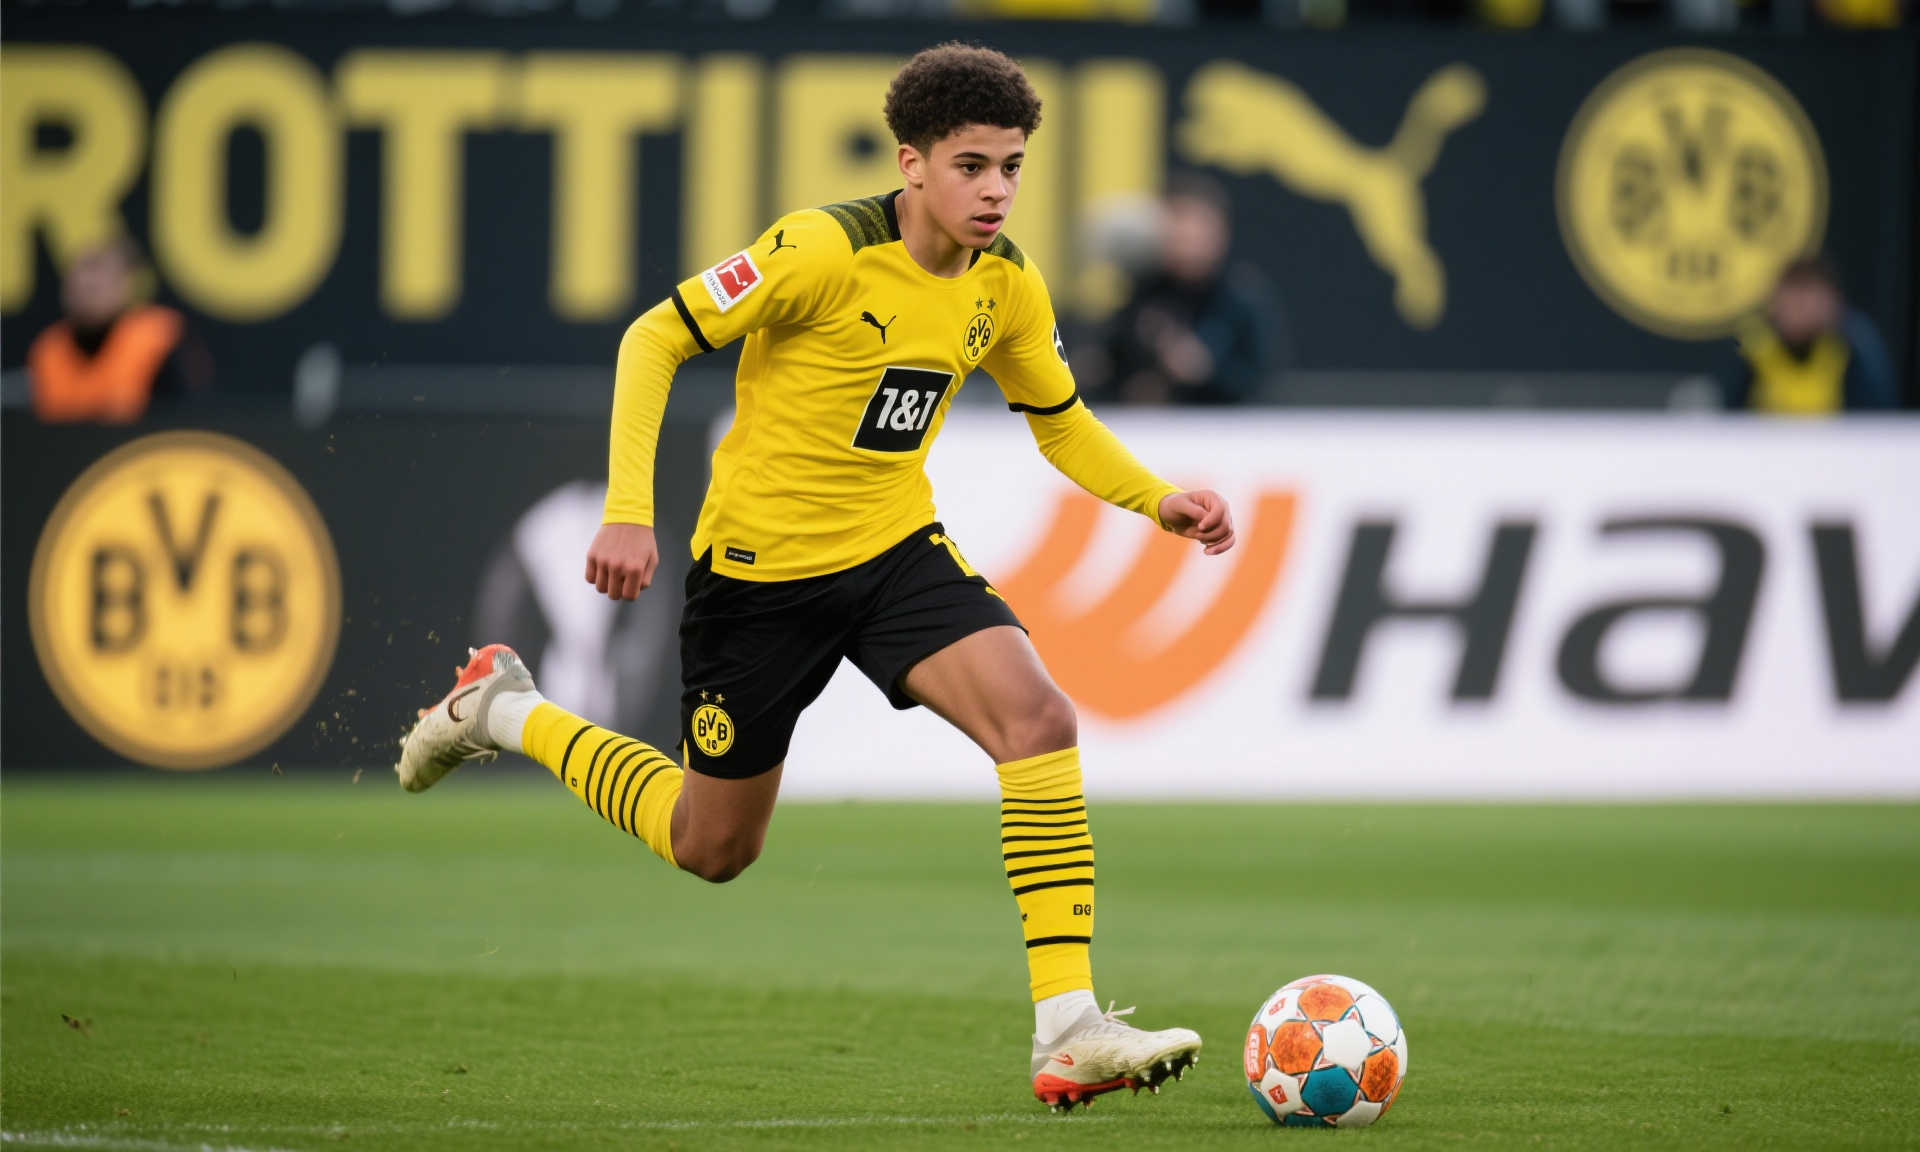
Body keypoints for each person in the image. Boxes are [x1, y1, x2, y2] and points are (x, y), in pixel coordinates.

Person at [396, 43, 1232, 1111]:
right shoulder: (818, 250)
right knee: (712, 848)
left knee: (1038, 721)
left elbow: (1059, 422)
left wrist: (1156, 499)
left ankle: (1068, 1028)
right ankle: (503, 710)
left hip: (893, 555)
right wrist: (627, 508)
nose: (995, 190)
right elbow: (653, 339)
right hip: (758, 581)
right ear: (911, 163)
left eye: (1012, 167)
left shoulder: (1007, 284)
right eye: (971, 166)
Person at [1093, 172, 1284, 406]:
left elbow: (1261, 381)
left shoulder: (1241, 296)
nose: (1183, 239)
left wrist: (1204, 371)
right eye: (1175, 228)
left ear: (1218, 232)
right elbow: (1108, 367)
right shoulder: (1144, 292)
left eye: (1194, 229)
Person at [29, 236, 205, 424]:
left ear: (125, 288)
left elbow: (182, 414)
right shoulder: (49, 348)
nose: (86, 298)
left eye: (96, 288)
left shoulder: (157, 338)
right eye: (79, 287)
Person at [1722, 255, 1898, 414]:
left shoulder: (1850, 347)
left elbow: (1874, 418)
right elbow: (1728, 415)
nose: (1800, 311)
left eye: (1807, 300)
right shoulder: (1753, 348)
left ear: (1831, 304)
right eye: (1792, 300)